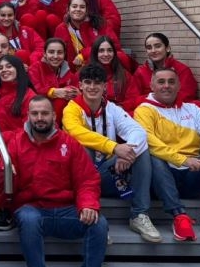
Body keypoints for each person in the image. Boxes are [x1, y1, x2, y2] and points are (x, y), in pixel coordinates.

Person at [5, 95, 113, 267]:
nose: (40, 118)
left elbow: (87, 179)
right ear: (28, 116)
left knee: (99, 223)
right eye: (35, 113)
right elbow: (2, 179)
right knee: (28, 218)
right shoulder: (15, 142)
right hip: (32, 210)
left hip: (65, 211)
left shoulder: (69, 143)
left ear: (54, 116)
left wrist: (88, 205)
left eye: (45, 113)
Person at [134, 68, 200, 248]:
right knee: (152, 157)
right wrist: (182, 160)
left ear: (179, 85)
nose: (166, 86)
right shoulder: (145, 110)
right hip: (162, 179)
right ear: (152, 85)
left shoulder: (193, 109)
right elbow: (149, 142)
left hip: (192, 174)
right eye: (161, 82)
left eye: (171, 81)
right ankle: (179, 216)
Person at [62, 64, 161, 243]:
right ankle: (93, 217)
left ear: (104, 86)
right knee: (83, 147)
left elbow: (137, 131)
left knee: (141, 149)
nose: (92, 87)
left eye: (97, 83)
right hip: (80, 179)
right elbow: (76, 132)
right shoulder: (71, 109)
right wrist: (115, 148)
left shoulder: (112, 108)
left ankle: (139, 215)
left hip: (107, 173)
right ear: (81, 86)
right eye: (88, 82)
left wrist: (127, 151)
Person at [131, 32, 200, 109]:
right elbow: (133, 97)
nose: (153, 50)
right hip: (149, 110)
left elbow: (187, 96)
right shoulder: (141, 71)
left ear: (167, 48)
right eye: (149, 48)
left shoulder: (182, 69)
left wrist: (160, 99)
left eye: (157, 46)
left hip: (176, 109)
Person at [53, 0, 125, 70]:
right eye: (74, 6)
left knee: (122, 57)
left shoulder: (100, 24)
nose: (78, 9)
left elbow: (114, 47)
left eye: (82, 7)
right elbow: (57, 53)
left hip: (100, 67)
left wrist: (84, 54)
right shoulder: (61, 28)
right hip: (74, 71)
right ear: (68, 9)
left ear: (87, 11)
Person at [27, 38, 79, 121]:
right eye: (51, 52)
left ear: (64, 54)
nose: (55, 56)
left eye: (59, 52)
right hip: (39, 110)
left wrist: (75, 93)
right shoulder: (35, 68)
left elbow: (75, 88)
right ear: (44, 54)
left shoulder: (67, 70)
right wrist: (52, 92)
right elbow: (35, 89)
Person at [0, 2, 45, 66]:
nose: (6, 18)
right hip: (7, 71)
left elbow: (41, 47)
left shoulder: (26, 30)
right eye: (3, 15)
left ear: (14, 16)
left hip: (30, 67)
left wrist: (30, 61)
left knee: (22, 54)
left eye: (10, 15)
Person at [87, 35, 135, 109]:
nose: (106, 54)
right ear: (95, 53)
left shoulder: (125, 75)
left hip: (119, 114)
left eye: (109, 50)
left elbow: (133, 98)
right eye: (101, 51)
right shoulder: (86, 73)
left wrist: (119, 107)